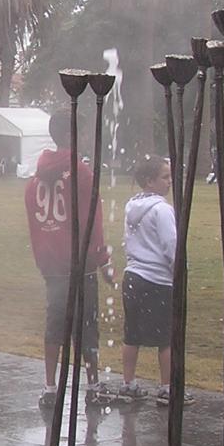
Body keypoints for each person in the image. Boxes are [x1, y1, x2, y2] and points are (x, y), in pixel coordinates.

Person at [26, 113, 110, 409]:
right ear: (77, 134)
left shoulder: (36, 178)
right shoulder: (82, 172)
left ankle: (50, 387)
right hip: (79, 264)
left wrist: (43, 255)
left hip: (51, 265)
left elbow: (34, 222)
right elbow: (92, 219)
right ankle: (94, 385)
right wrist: (102, 258)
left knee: (54, 325)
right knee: (87, 327)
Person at [120, 156, 180, 405]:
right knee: (165, 337)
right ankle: (167, 388)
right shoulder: (162, 209)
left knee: (131, 334)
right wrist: (179, 273)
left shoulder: (131, 205)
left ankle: (129, 383)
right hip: (157, 279)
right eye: (164, 177)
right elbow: (171, 245)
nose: (169, 182)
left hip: (133, 276)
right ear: (149, 181)